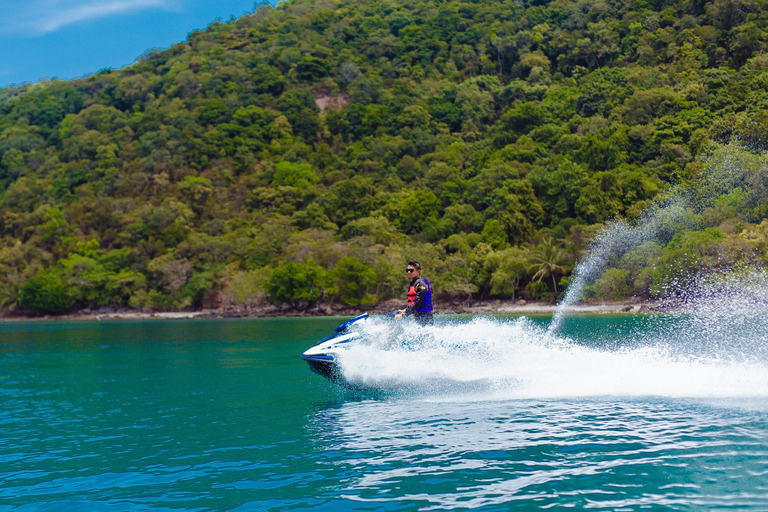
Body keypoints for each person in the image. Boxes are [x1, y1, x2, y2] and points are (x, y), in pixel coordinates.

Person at [395, 261, 433, 325]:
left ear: (418, 271)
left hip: (425, 316)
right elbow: (412, 302)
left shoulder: (421, 283)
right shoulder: (413, 283)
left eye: (411, 270)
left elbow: (417, 302)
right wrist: (405, 310)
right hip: (418, 316)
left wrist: (404, 314)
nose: (409, 272)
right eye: (407, 270)